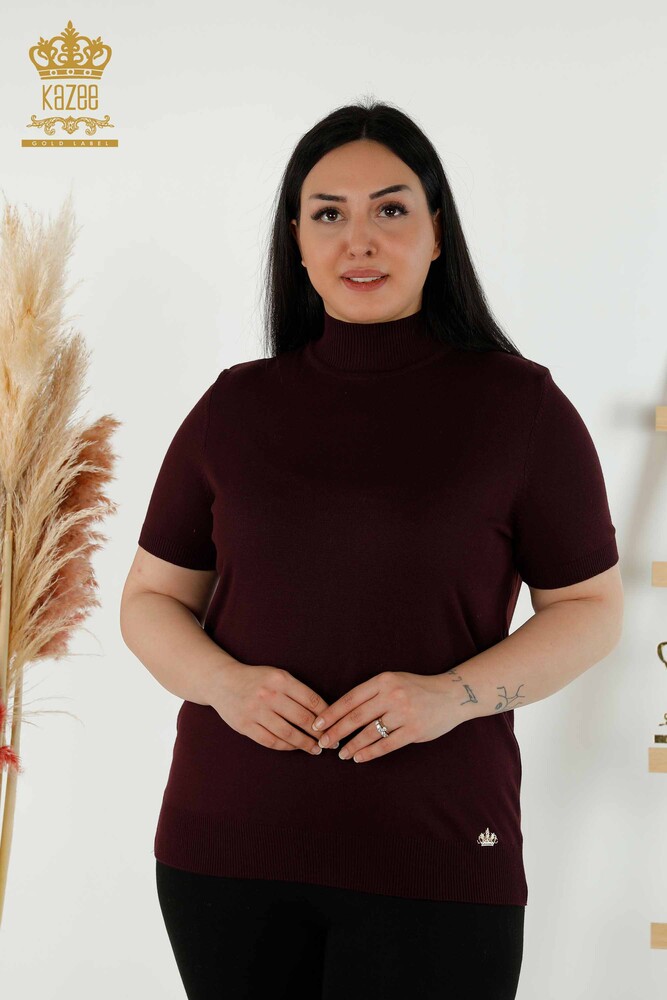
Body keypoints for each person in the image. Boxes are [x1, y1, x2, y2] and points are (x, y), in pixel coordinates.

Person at [120, 98, 623, 999]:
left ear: (437, 234)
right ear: (297, 242)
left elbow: (588, 612)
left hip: (437, 853)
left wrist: (449, 697)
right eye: (328, 214)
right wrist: (223, 684)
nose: (359, 240)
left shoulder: (521, 410)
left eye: (390, 209)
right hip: (223, 853)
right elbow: (150, 600)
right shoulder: (234, 407)